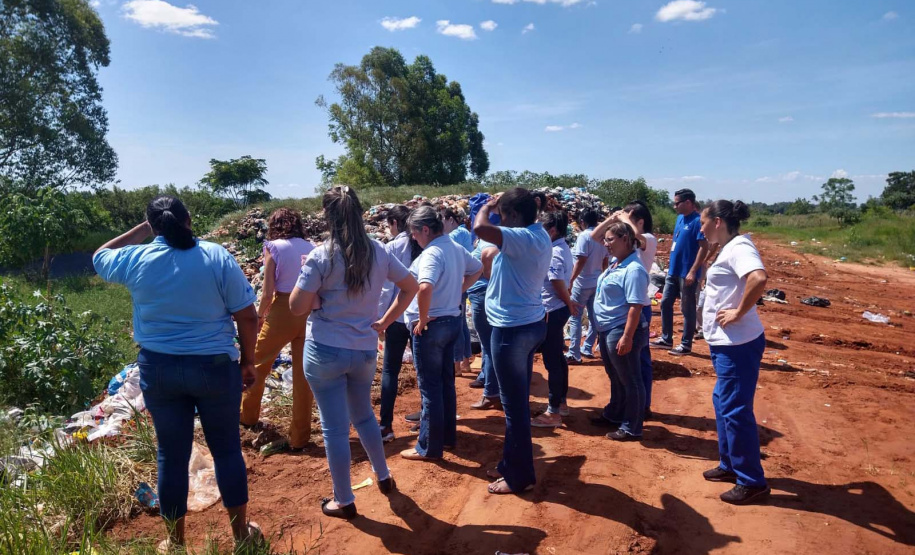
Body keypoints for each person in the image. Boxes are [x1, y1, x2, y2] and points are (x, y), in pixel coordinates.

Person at [93, 196, 261, 552]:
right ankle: (241, 537)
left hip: (159, 370)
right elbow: (247, 316)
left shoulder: (134, 258)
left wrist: (144, 228)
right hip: (214, 369)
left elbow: (100, 255)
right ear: (188, 219)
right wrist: (248, 360)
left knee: (171, 455)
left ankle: (175, 542)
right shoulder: (215, 256)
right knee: (227, 450)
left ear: (153, 226)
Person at [290, 186, 418, 520]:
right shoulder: (379, 251)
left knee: (334, 429)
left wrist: (316, 295)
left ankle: (344, 500)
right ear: (359, 213)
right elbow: (410, 287)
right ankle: (383, 474)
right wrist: (385, 321)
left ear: (327, 216)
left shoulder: (321, 256)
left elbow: (296, 306)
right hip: (363, 349)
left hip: (325, 350)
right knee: (363, 416)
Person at [474, 188, 551, 495]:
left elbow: (480, 228)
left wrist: (488, 207)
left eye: (504, 216)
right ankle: (510, 464)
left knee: (514, 407)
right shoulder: (539, 234)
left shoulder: (522, 237)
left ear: (515, 216)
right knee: (515, 401)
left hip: (511, 330)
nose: (500, 220)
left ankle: (520, 476)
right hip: (529, 324)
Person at [698, 200, 771, 505]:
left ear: (717, 221)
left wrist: (739, 312)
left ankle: (751, 481)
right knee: (723, 402)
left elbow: (758, 278)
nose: (701, 229)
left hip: (738, 344)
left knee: (736, 409)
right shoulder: (727, 247)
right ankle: (730, 464)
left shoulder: (740, 247)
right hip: (725, 342)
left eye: (703, 223)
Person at [399, 206, 483, 461]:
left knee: (430, 388)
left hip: (432, 325)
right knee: (446, 382)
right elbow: (478, 268)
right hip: (452, 321)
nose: (414, 238)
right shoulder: (455, 248)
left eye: (414, 233)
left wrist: (423, 317)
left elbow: (425, 287)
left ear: (425, 230)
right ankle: (446, 436)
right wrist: (459, 290)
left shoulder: (432, 253)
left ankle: (428, 447)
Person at [240, 208, 315, 452]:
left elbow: (268, 291)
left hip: (283, 308)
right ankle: (300, 437)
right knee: (303, 375)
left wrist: (260, 316)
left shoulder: (273, 247)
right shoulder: (311, 247)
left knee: (258, 363)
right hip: (308, 310)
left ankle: (247, 417)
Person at [587, 220, 650, 441]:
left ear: (625, 240)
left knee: (631, 379)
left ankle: (632, 427)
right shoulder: (616, 262)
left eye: (610, 240)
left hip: (621, 328)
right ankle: (615, 413)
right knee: (615, 375)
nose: (606, 244)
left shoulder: (634, 269)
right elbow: (594, 237)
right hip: (607, 328)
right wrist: (612, 220)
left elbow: (635, 306)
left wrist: (627, 336)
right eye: (605, 240)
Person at [377, 205, 421, 443]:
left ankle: (386, 425)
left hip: (396, 317)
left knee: (390, 370)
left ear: (394, 223)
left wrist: (381, 319)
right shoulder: (422, 242)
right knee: (422, 369)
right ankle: (426, 418)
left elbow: (386, 289)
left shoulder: (392, 247)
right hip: (419, 316)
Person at [531, 211, 577, 428]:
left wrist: (569, 302)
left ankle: (553, 411)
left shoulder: (555, 251)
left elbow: (557, 281)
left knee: (552, 361)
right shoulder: (561, 247)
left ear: (552, 230)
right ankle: (561, 403)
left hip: (552, 309)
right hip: (557, 308)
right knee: (557, 358)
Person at [651, 189, 708, 356]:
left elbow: (704, 248)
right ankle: (666, 339)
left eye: (677, 203)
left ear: (688, 202)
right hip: (673, 270)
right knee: (665, 302)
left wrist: (693, 271)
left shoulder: (698, 221)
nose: (674, 206)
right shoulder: (679, 219)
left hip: (687, 273)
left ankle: (686, 344)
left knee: (687, 308)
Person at [619, 201, 658, 418]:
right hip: (626, 306)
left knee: (640, 359)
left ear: (639, 221)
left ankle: (643, 406)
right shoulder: (627, 240)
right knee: (626, 360)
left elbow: (638, 237)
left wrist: (624, 218)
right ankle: (629, 403)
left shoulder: (648, 239)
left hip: (639, 306)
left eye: (629, 218)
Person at [566, 209, 608, 363]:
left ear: (582, 222)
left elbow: (581, 260)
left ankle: (574, 353)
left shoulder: (584, 236)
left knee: (575, 317)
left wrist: (571, 280)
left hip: (582, 283)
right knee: (594, 316)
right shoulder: (602, 237)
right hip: (596, 282)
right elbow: (605, 261)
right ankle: (588, 347)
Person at [441, 205, 475, 376]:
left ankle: (456, 365)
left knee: (456, 324)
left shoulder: (454, 235)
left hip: (457, 284)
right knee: (462, 324)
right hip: (463, 282)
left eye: (441, 220)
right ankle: (465, 362)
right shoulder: (464, 233)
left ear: (450, 220)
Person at [467, 235, 500, 401]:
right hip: (483, 294)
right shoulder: (486, 239)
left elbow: (489, 254)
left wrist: (486, 272)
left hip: (482, 294)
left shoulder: (487, 239)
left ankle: (491, 390)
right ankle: (486, 377)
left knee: (488, 343)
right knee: (487, 342)